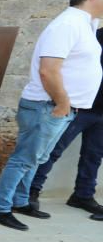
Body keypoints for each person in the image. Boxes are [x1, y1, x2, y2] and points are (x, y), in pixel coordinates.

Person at [0, 0, 103, 230]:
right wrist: (62, 104)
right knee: (24, 159)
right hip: (47, 106)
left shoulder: (86, 23)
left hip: (60, 107)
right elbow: (48, 70)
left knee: (36, 158)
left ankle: (20, 200)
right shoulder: (68, 24)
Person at [29, 27, 103, 219]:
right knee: (52, 150)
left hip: (101, 113)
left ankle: (83, 195)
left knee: (93, 156)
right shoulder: (94, 36)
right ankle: (31, 191)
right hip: (80, 106)